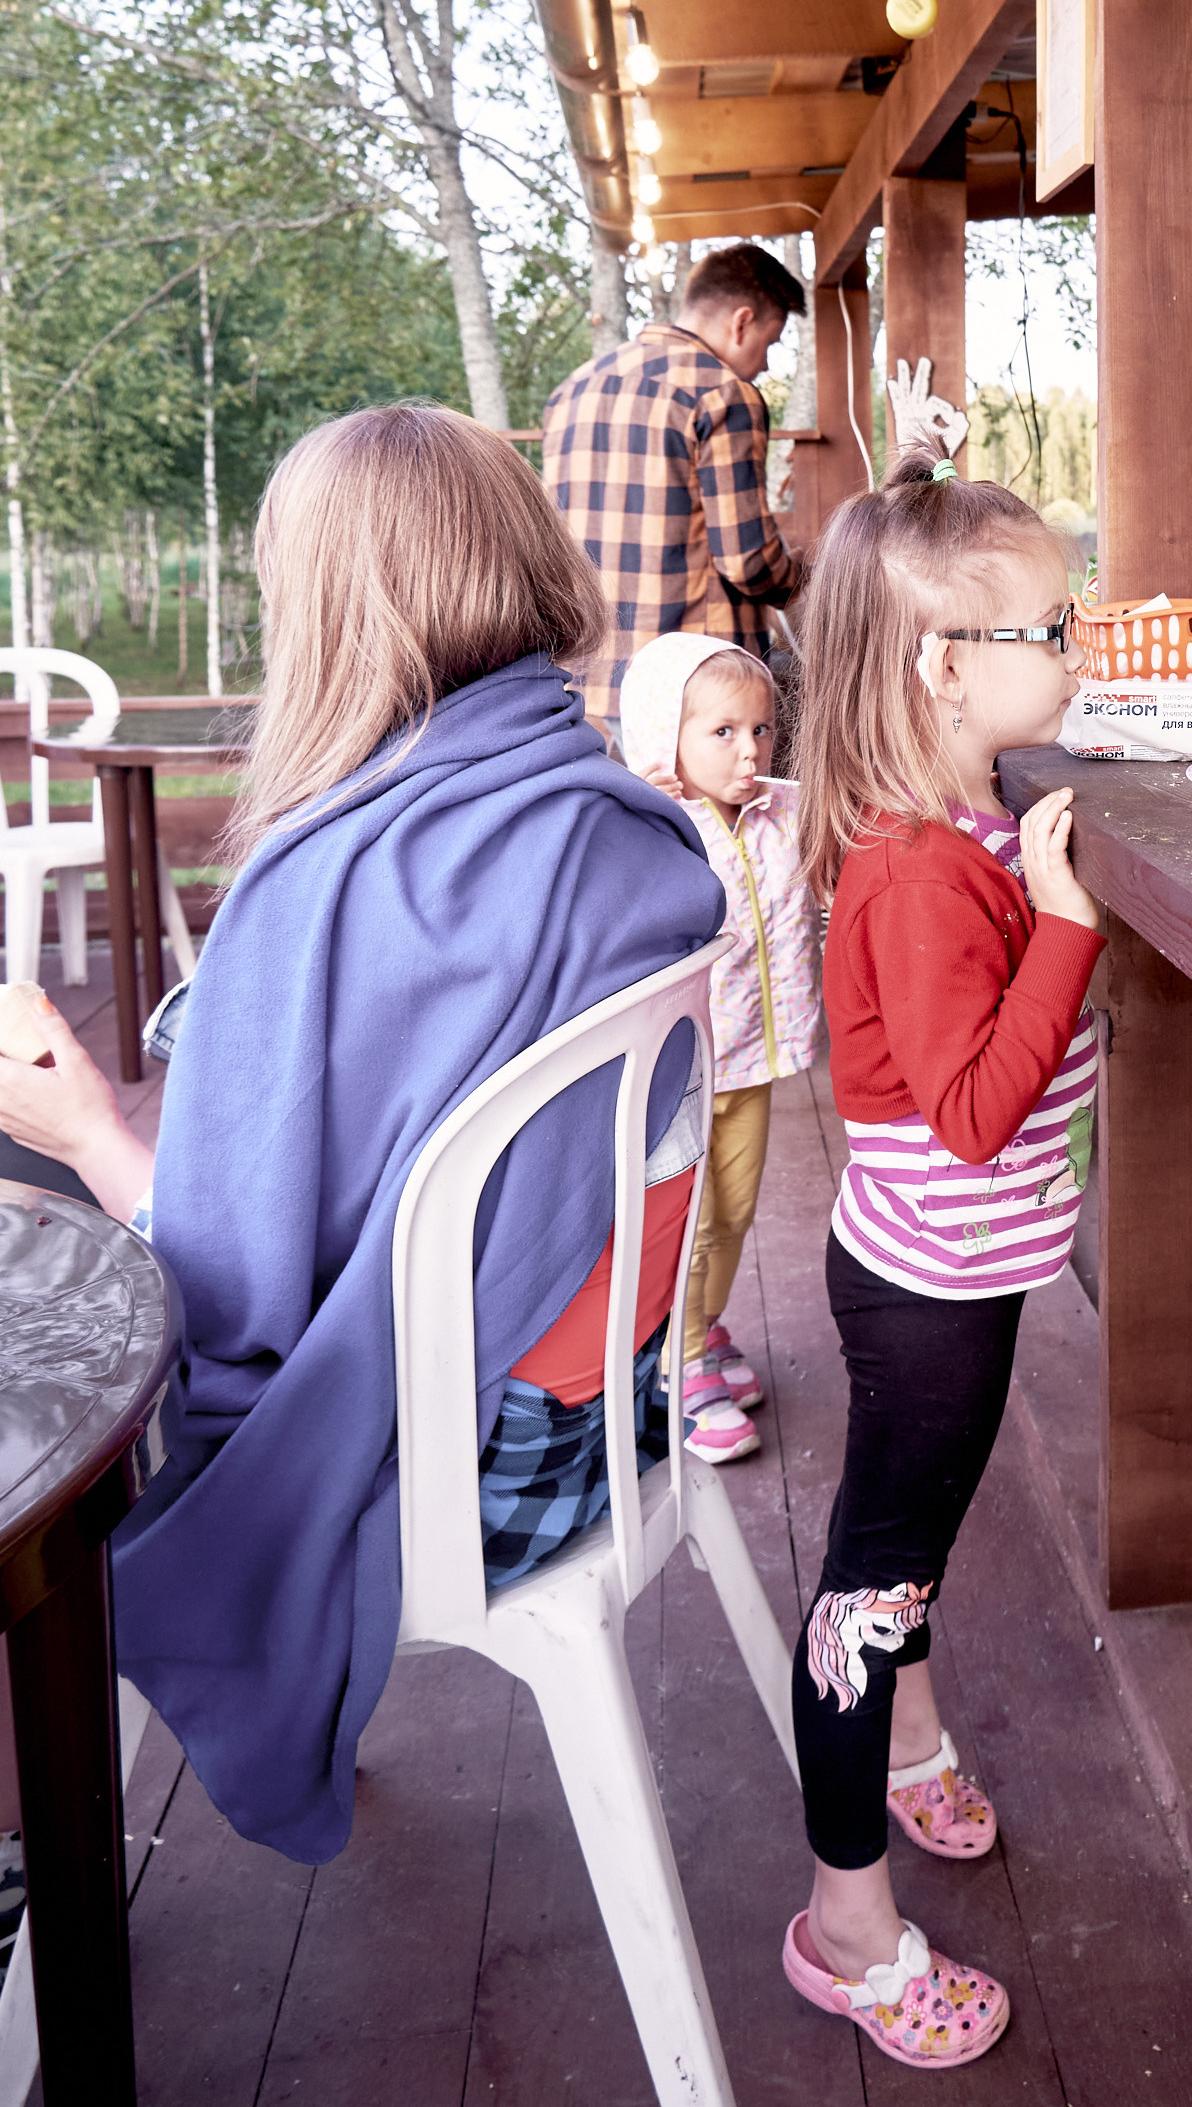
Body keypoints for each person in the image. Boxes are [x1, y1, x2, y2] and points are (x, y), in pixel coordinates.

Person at [0, 404, 724, 1863]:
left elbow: (232, 1302)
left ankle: (26, 1856)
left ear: (327, 611)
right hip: (614, 1416)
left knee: (35, 1372)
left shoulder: (338, 882)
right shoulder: (613, 818)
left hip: (458, 1477)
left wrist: (79, 1132)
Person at [778, 452, 1100, 2067]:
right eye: (1054, 625)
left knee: (914, 1551)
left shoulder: (967, 827)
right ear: (945, 666)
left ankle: (908, 1743)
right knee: (868, 1588)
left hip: (957, 1280)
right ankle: (844, 1928)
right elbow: (973, 1116)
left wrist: (1035, 885)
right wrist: (1068, 927)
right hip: (925, 1293)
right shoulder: (918, 871)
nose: (1079, 647)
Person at [619, 628, 822, 1467]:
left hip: (757, 1059)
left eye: (762, 729)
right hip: (688, 1069)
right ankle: (678, 1359)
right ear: (664, 738)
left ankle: (698, 1325)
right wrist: (638, 804)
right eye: (723, 732)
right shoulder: (653, 830)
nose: (750, 751)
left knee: (733, 1211)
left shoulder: (783, 810)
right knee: (694, 1219)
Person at [542, 238, 807, 729]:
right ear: (742, 321)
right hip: (693, 685)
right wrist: (806, 578)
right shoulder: (724, 394)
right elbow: (748, 561)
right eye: (770, 343)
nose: (767, 364)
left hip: (585, 679)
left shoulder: (572, 390)